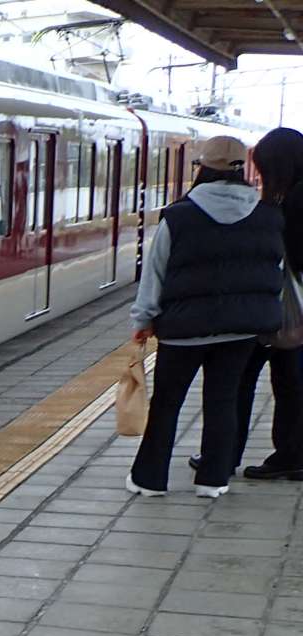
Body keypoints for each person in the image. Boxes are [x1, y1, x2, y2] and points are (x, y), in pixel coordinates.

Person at [128, 134, 287, 499]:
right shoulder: (268, 216)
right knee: (223, 401)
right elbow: (274, 274)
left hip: (183, 329)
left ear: (203, 168)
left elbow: (155, 273)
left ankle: (150, 480)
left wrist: (143, 320)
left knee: (167, 403)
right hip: (241, 329)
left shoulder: (178, 215)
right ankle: (213, 481)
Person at [206, 128, 303, 480]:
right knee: (290, 384)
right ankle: (290, 455)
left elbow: (290, 255)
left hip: (281, 310)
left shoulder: (294, 200)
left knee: (242, 378)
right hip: (286, 310)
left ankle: (226, 455)